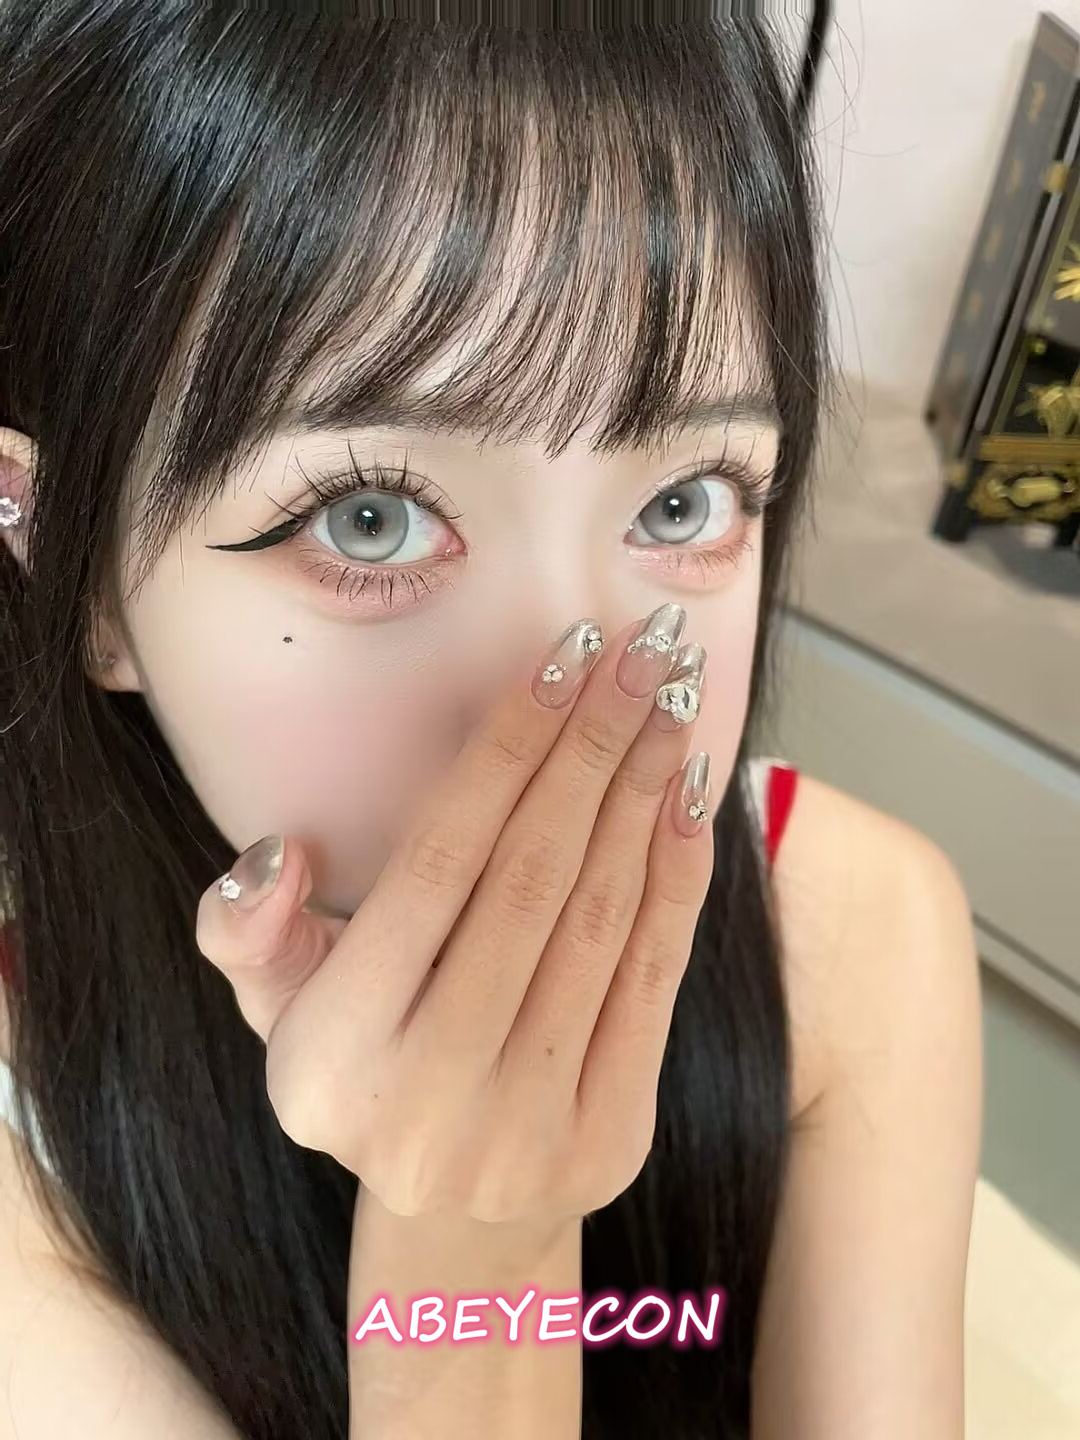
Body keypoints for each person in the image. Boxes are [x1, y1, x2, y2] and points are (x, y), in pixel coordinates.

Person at [0, 4, 982, 1437]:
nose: (561, 691)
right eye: (370, 516)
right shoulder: (29, 1145)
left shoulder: (852, 927)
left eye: (682, 503)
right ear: (79, 573)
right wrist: (473, 1251)